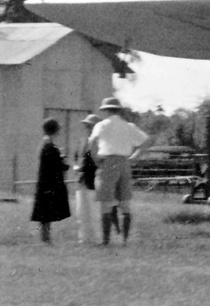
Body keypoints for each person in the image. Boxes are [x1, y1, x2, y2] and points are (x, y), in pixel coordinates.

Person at [88, 97, 149, 245]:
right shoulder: (129, 126)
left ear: (107, 110)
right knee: (125, 202)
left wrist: (97, 160)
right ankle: (125, 240)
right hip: (124, 162)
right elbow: (146, 141)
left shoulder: (101, 125)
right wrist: (134, 157)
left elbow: (91, 144)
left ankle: (106, 240)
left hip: (108, 161)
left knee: (106, 202)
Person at [30, 119, 70, 243]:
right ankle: (45, 238)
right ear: (55, 130)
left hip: (44, 182)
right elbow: (58, 166)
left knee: (45, 212)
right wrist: (63, 161)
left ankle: (45, 237)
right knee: (46, 212)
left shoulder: (44, 143)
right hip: (49, 183)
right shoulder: (50, 146)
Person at [75, 114, 99, 244]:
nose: (88, 128)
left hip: (94, 180)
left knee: (94, 212)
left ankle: (96, 239)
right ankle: (83, 239)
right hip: (82, 180)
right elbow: (76, 157)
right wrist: (76, 167)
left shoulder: (100, 143)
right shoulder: (82, 141)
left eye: (90, 125)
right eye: (87, 125)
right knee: (81, 212)